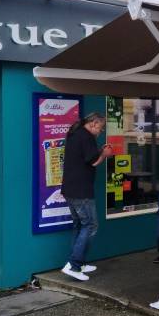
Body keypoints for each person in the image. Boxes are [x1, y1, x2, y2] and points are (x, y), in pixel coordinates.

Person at [60, 112, 113, 281]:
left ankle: (77, 263)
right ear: (93, 123)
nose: (101, 130)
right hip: (81, 190)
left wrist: (99, 151)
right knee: (90, 225)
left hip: (70, 189)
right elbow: (93, 162)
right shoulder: (87, 137)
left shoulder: (75, 133)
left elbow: (86, 157)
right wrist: (104, 155)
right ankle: (74, 265)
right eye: (101, 127)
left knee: (79, 225)